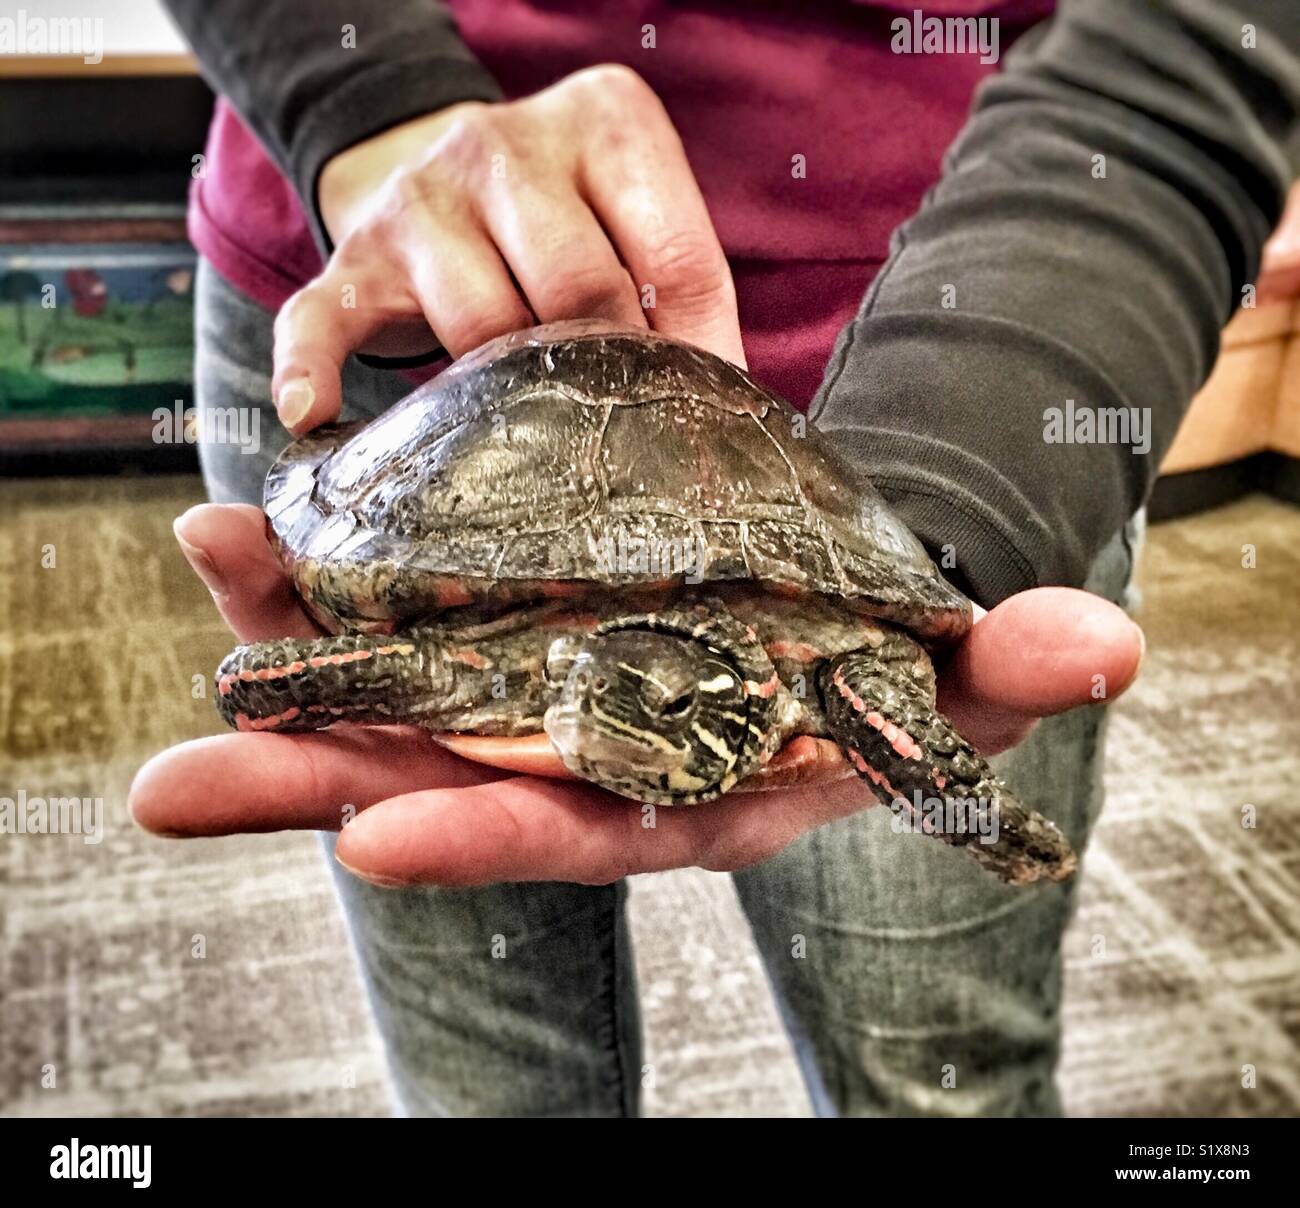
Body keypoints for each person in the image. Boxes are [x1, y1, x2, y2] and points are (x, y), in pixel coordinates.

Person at [131, 0, 1299, 1116]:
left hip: (941, 342)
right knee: (479, 1078)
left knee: (938, 1073)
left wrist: (935, 508)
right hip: (399, 312)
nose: (615, 707)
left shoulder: (830, 651)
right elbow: (296, 674)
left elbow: (1190, 55)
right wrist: (368, 99)